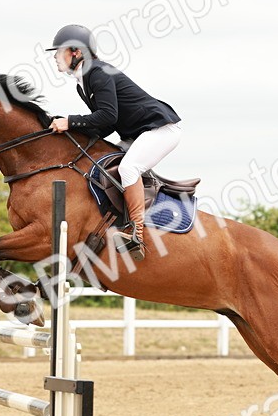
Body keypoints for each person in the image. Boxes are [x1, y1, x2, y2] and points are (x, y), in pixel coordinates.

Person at [45, 23, 181, 261]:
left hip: (160, 129)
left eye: (59, 52)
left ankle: (137, 234)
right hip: (136, 134)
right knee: (100, 165)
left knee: (128, 168)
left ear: (76, 52)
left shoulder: (98, 72)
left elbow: (108, 116)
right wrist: (74, 136)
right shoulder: (83, 83)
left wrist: (70, 122)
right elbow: (106, 125)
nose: (55, 57)